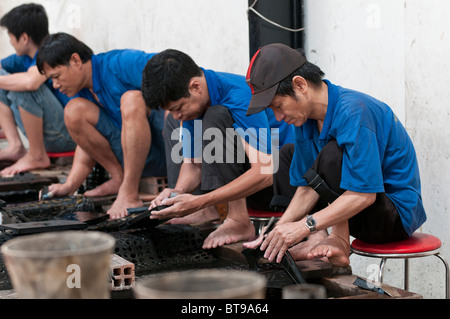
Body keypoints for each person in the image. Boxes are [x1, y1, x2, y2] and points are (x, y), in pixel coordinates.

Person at [243, 43, 427, 267]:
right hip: (355, 211)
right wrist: (275, 233)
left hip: (391, 218)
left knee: (333, 153)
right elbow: (305, 187)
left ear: (300, 85)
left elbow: (364, 196)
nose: (279, 117)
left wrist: (304, 226)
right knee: (287, 154)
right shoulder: (305, 120)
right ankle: (320, 239)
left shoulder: (354, 113)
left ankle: (338, 240)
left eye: (278, 106)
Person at [141, 49, 295, 249]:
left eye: (178, 108)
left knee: (216, 115)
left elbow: (265, 173)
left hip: (282, 187)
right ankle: (215, 213)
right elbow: (194, 165)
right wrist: (176, 193)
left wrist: (201, 201)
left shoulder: (238, 96)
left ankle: (238, 221)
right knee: (189, 120)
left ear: (195, 87)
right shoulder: (197, 102)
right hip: (249, 184)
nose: (177, 115)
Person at [36, 33, 166, 219]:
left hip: (167, 152)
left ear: (75, 60)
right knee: (73, 111)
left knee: (131, 99)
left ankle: (129, 192)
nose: (56, 85)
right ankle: (119, 179)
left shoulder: (120, 63)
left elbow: (173, 73)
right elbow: (86, 144)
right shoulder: (81, 92)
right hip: (131, 159)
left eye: (56, 76)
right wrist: (70, 185)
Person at [0, 4, 76, 175]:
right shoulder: (22, 58)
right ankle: (16, 147)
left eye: (11, 37)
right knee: (4, 79)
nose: (10, 42)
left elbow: (31, 83)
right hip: (51, 134)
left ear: (24, 38)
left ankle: (36, 155)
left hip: (67, 136)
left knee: (23, 87)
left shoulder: (49, 54)